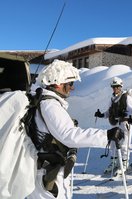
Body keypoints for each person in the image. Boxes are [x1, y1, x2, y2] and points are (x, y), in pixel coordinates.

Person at [27, 59, 124, 199]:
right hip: (49, 172)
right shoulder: (50, 105)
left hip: (46, 169)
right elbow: (69, 135)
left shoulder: (43, 101)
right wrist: (105, 135)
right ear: (58, 83)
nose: (72, 88)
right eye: (70, 83)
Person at [94, 76, 132, 174]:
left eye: (117, 86)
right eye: (113, 87)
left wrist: (125, 114)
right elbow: (109, 112)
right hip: (115, 124)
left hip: (125, 123)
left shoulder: (126, 97)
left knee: (124, 145)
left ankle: (124, 164)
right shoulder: (112, 98)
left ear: (121, 86)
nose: (115, 88)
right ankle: (114, 163)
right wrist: (101, 115)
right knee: (113, 143)